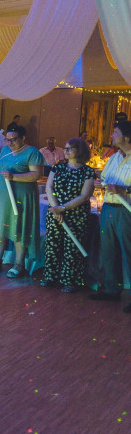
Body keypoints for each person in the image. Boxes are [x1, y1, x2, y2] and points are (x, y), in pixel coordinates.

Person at [0, 125, 45, 278]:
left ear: (23, 138)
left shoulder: (32, 152)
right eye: (7, 140)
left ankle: (19, 263)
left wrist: (14, 177)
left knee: (18, 228)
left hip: (20, 197)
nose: (10, 143)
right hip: (1, 196)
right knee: (0, 227)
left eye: (14, 139)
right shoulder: (5, 150)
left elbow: (36, 174)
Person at [41, 138, 95, 292]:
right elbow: (49, 188)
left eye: (70, 148)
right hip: (55, 211)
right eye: (65, 148)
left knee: (72, 248)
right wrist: (56, 207)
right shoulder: (57, 168)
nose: (66, 151)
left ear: (80, 150)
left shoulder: (88, 171)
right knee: (52, 244)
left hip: (76, 213)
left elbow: (85, 195)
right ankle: (50, 276)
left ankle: (70, 280)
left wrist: (63, 208)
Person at [88, 121, 131, 310]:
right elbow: (105, 177)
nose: (112, 135)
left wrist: (125, 190)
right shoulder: (114, 157)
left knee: (129, 251)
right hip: (109, 208)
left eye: (115, 132)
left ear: (127, 137)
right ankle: (112, 289)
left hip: (126, 210)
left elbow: (123, 188)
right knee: (109, 249)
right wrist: (100, 183)